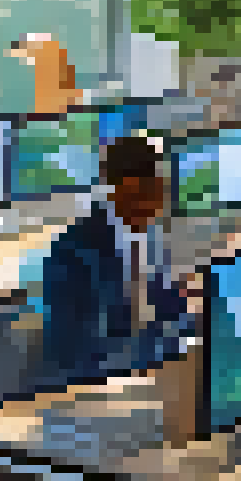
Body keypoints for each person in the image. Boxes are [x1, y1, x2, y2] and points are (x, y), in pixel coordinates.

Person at [38, 136, 200, 388]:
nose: (163, 202)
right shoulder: (72, 253)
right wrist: (161, 349)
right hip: (98, 387)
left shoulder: (152, 236)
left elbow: (169, 309)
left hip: (155, 374)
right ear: (124, 189)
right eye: (155, 190)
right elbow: (74, 352)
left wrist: (201, 323)